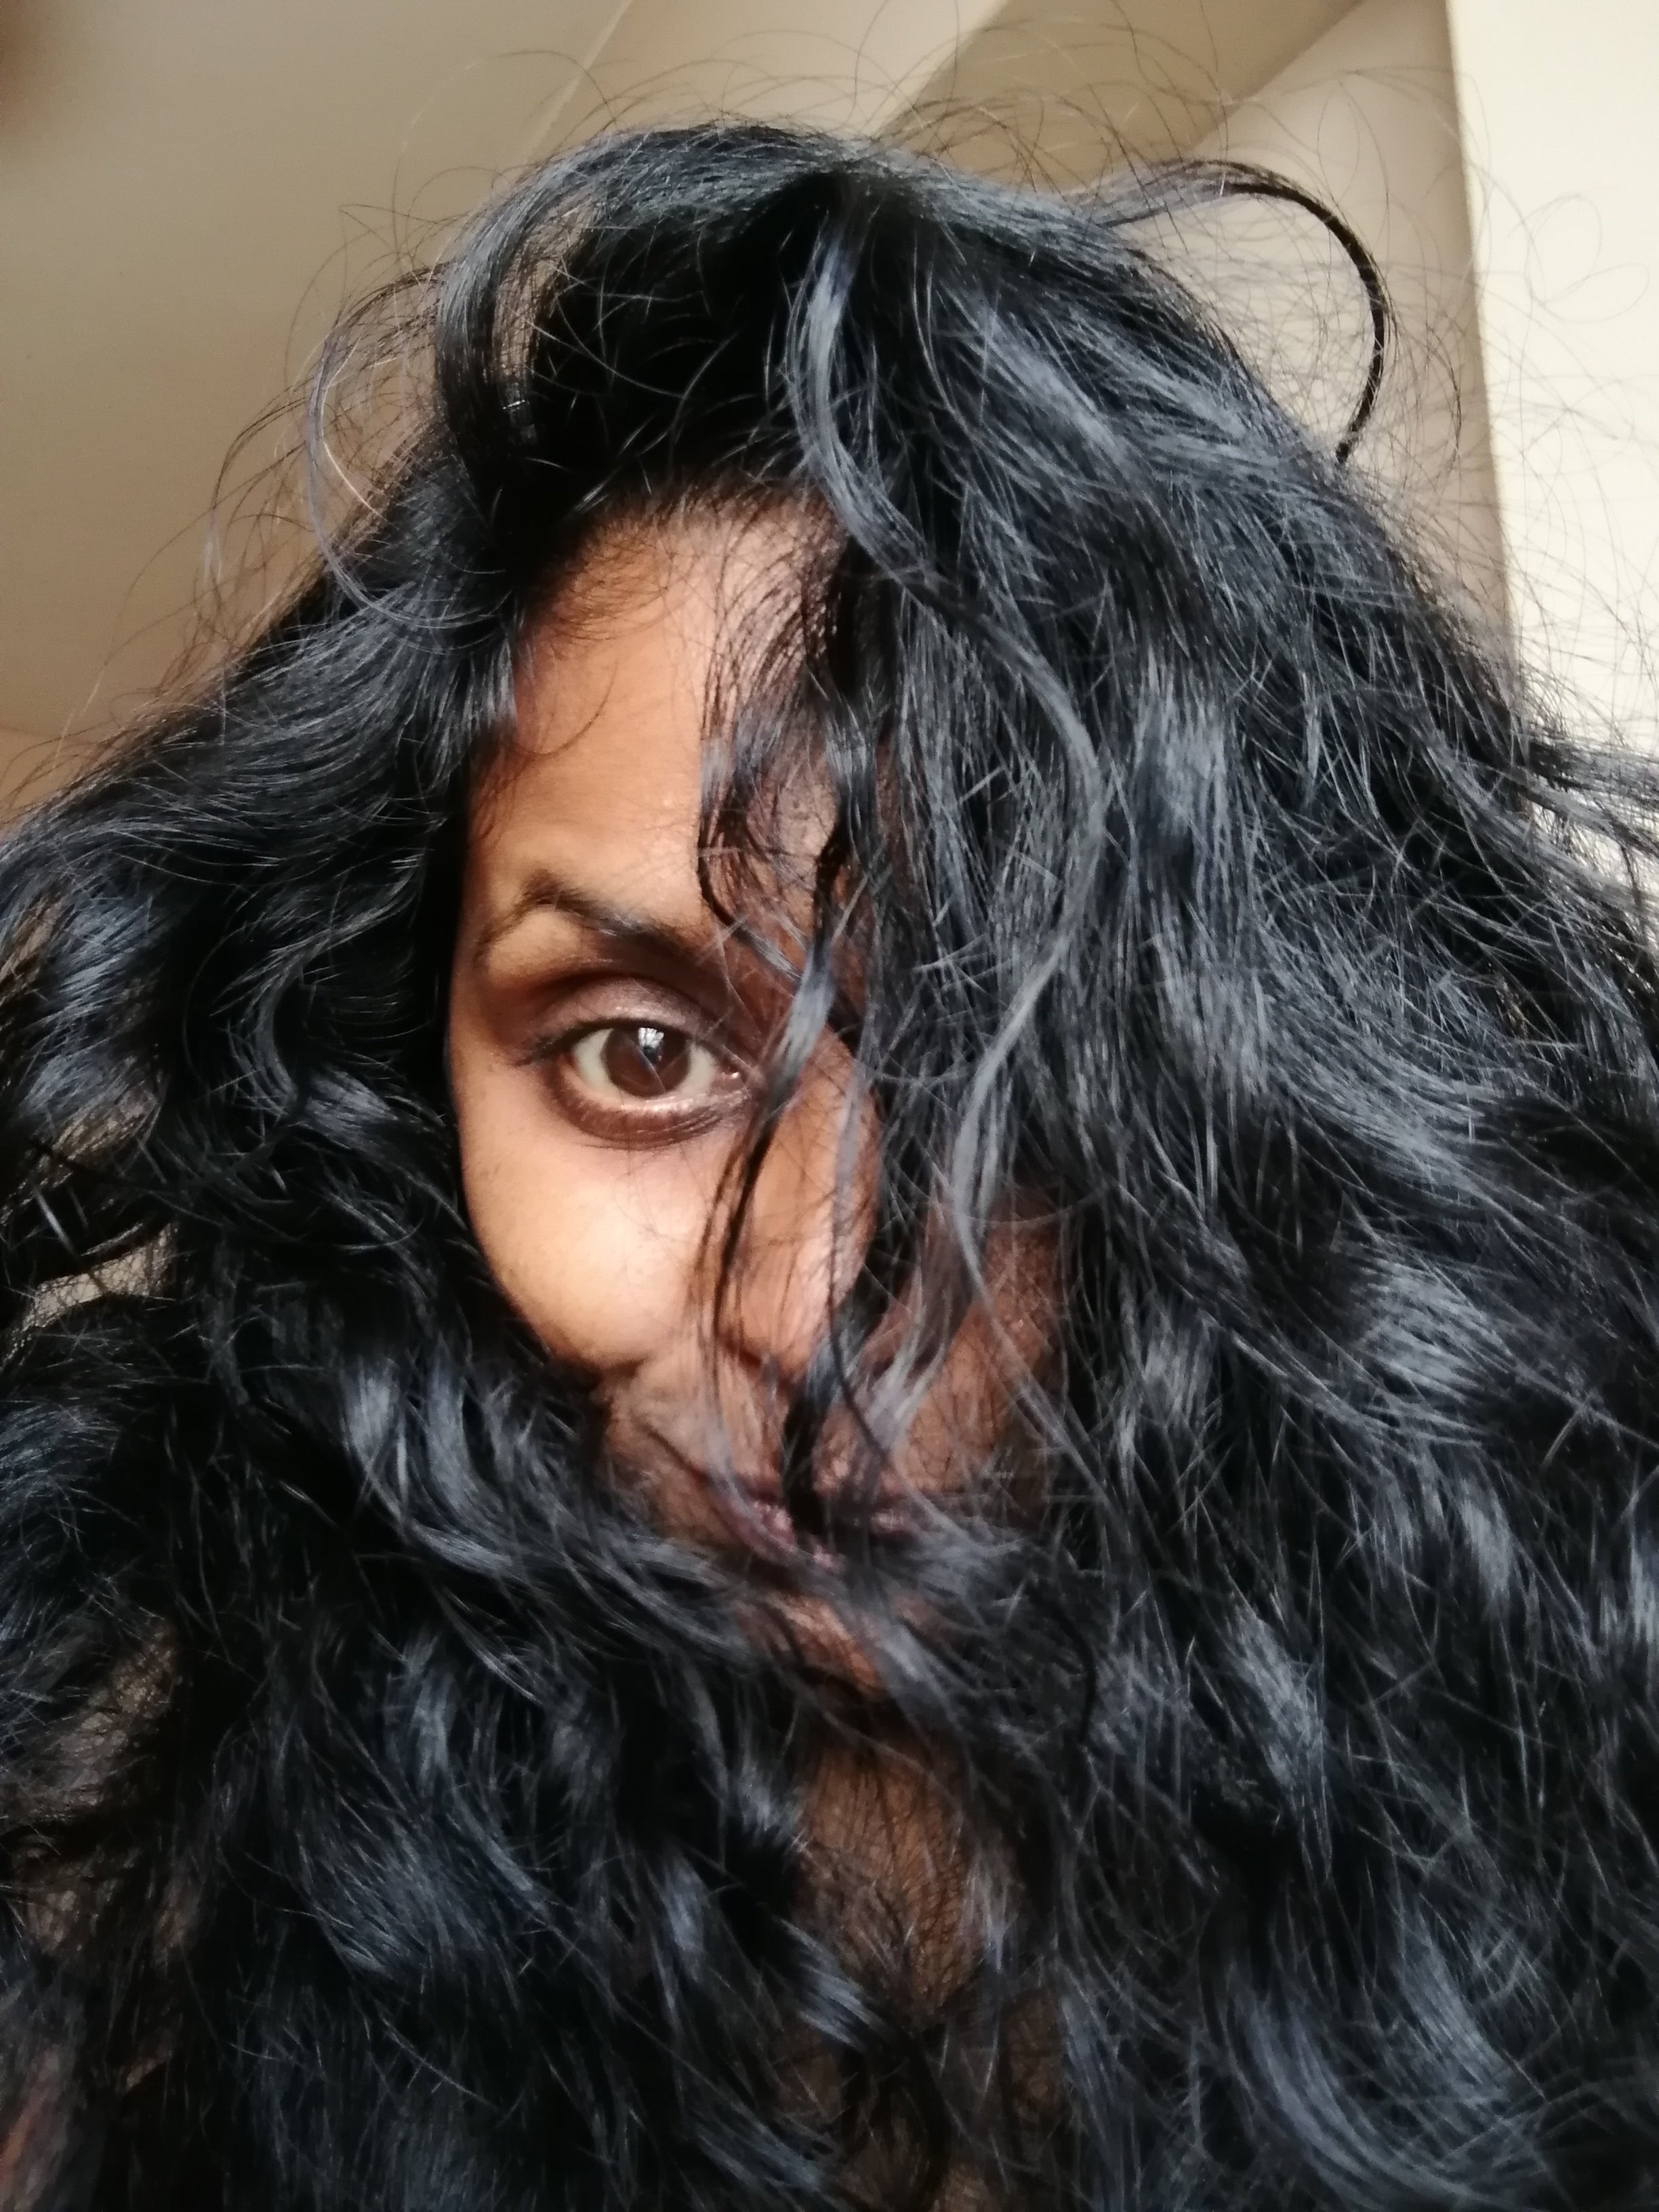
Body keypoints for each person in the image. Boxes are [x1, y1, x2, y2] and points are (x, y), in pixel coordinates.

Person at [3, 119, 1659, 2212]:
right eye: (640, 1055)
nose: (808, 1303)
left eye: (1004, 1060)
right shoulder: (182, 2021)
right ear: (416, 1097)